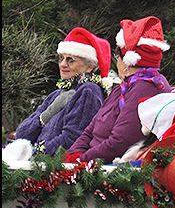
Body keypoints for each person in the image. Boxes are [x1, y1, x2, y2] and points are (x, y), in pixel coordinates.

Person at [65, 16, 172, 164]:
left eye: (117, 57)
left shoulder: (147, 87)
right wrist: (73, 154)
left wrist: (81, 160)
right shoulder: (124, 86)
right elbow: (91, 128)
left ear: (128, 62)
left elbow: (121, 141)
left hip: (111, 170)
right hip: (92, 163)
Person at [9, 27, 110, 158]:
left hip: (57, 170)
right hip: (42, 166)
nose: (62, 64)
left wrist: (34, 155)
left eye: (70, 60)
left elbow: (70, 140)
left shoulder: (89, 91)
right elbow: (22, 134)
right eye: (61, 58)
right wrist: (45, 117)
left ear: (90, 66)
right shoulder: (57, 93)